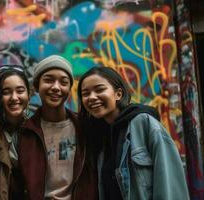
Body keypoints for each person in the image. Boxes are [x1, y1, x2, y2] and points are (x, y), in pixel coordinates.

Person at [77, 66, 190, 200]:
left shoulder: (143, 123)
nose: (92, 97)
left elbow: (169, 181)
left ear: (118, 94)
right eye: (85, 93)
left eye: (99, 89)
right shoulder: (98, 136)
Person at [17, 55, 96, 200]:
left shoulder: (85, 127)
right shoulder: (25, 132)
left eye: (63, 82)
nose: (56, 87)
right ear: (36, 86)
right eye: (48, 80)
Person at [0, 64, 31, 200]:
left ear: (29, 94)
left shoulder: (36, 131)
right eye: (6, 92)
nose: (14, 97)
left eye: (20, 91)